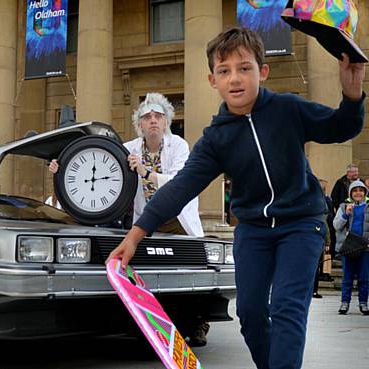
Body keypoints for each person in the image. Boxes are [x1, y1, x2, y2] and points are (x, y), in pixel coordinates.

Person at [107, 26, 365, 369]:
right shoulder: (217, 137)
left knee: (287, 307)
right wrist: (136, 235)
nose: (235, 78)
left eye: (245, 68)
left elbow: (339, 128)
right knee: (251, 313)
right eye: (224, 70)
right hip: (254, 230)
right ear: (212, 80)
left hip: (301, 224)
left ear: (263, 71)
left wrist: (352, 96)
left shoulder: (287, 109)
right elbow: (182, 186)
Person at [48, 92, 206, 345]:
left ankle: (198, 323)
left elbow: (181, 182)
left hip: (178, 219)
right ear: (139, 124)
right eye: (147, 117)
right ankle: (151, 324)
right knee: (149, 273)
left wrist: (145, 172)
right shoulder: (129, 148)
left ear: (166, 122)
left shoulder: (179, 146)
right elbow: (95, 162)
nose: (153, 120)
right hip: (147, 221)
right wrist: (63, 166)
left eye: (158, 116)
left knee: (190, 275)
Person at [332, 180, 369, 315]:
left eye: (361, 190)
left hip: (365, 248)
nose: (358, 193)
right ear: (350, 193)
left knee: (364, 278)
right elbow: (336, 226)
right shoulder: (343, 206)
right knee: (347, 277)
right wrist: (346, 214)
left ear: (365, 192)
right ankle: (344, 302)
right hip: (349, 248)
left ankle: (363, 303)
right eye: (355, 190)